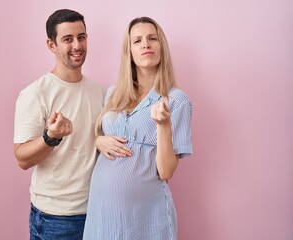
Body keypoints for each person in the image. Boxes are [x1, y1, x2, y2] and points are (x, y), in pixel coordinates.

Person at [82, 16, 193, 240]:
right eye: (137, 40)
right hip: (102, 212)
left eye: (153, 38)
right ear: (129, 51)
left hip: (145, 215)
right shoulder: (114, 93)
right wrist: (98, 140)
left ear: (162, 47)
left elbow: (166, 171)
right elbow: (102, 137)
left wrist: (163, 125)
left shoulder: (176, 100)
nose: (145, 44)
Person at [13, 9, 104, 240]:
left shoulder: (100, 92)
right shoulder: (35, 94)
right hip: (55, 218)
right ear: (51, 45)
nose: (77, 45)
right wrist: (50, 137)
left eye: (81, 37)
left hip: (97, 210)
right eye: (67, 39)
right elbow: (22, 158)